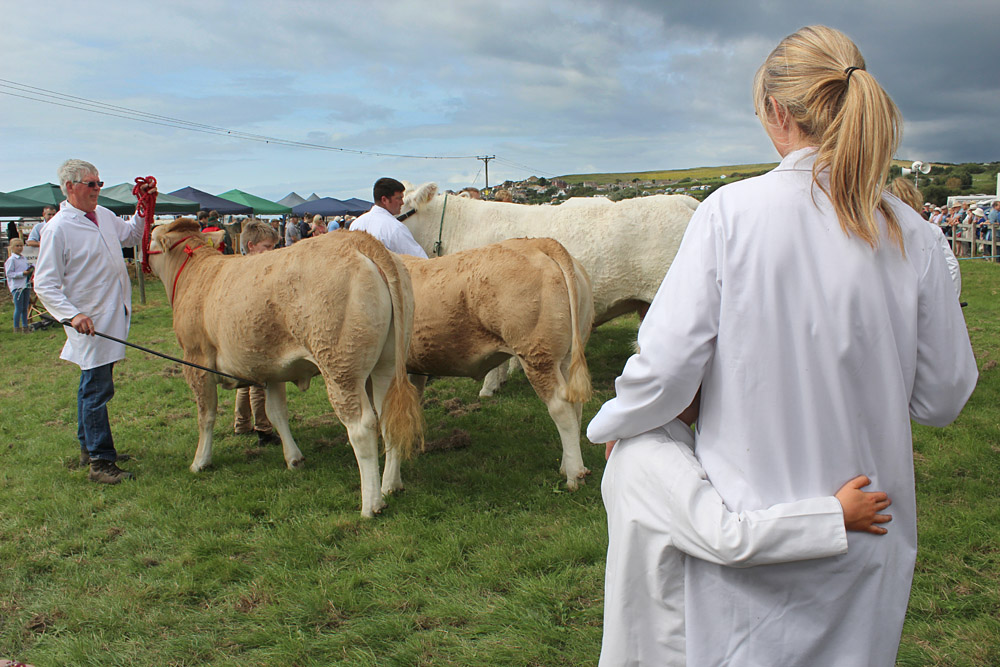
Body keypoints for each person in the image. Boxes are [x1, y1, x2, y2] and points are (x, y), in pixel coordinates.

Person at [588, 26, 977, 667]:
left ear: (776, 110)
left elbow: (665, 368)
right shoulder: (914, 235)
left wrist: (615, 425)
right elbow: (942, 399)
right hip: (868, 536)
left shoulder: (729, 215)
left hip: (753, 538)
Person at [601, 394, 892, 666]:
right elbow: (729, 538)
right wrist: (835, 515)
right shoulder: (664, 461)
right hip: (667, 645)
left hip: (638, 633)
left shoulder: (630, 447)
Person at [33, 159, 157, 485]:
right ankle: (101, 461)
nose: (97, 189)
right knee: (97, 389)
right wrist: (72, 314)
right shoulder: (58, 228)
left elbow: (132, 236)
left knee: (93, 384)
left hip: (111, 313)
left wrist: (143, 207)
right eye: (91, 184)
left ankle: (89, 448)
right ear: (70, 187)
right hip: (89, 320)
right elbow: (44, 284)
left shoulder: (103, 215)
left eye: (99, 183)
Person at [232, 220, 280, 446]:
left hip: (240, 330)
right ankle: (264, 428)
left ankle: (241, 423)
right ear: (251, 246)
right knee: (260, 382)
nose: (271, 252)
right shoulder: (251, 271)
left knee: (245, 381)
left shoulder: (238, 267)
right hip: (251, 329)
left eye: (273, 247)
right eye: (266, 247)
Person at [890, 177, 961, 296]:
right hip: (925, 295)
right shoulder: (931, 230)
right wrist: (951, 299)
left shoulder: (881, 232)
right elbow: (951, 267)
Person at [349, 177, 428, 257]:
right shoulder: (395, 228)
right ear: (384, 200)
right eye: (399, 198)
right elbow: (420, 260)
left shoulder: (355, 224)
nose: (402, 202)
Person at [4, 238, 33, 333]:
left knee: (25, 307)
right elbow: (9, 274)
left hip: (25, 285)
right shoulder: (11, 260)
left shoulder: (23, 258)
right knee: (19, 307)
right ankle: (16, 327)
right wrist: (22, 274)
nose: (20, 248)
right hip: (17, 286)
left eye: (21, 246)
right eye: (17, 246)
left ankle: (25, 326)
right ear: (12, 247)